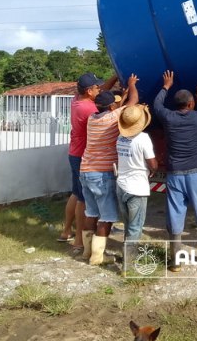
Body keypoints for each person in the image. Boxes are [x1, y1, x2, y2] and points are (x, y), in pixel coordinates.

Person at [153, 70, 197, 272]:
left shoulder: (169, 117)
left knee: (175, 213)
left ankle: (176, 261)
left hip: (175, 173)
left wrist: (166, 86)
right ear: (191, 104)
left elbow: (157, 106)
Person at [80, 74, 139, 265]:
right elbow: (133, 103)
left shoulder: (93, 118)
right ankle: (98, 257)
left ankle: (86, 251)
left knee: (91, 212)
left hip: (85, 171)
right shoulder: (113, 119)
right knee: (107, 216)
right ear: (112, 107)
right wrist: (131, 86)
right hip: (102, 174)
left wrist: (122, 95)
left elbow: (118, 106)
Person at [62, 72, 117, 256]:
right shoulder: (89, 110)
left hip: (75, 152)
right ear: (88, 91)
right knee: (83, 200)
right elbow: (106, 109)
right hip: (83, 156)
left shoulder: (77, 99)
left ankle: (66, 230)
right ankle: (79, 240)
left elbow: (102, 95)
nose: (99, 89)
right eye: (96, 87)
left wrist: (116, 75)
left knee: (76, 193)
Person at [116, 104, 158, 261]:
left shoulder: (120, 138)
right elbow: (152, 164)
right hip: (137, 188)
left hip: (121, 185)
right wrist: (153, 169)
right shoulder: (143, 139)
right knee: (135, 227)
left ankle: (126, 254)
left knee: (128, 225)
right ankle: (129, 263)